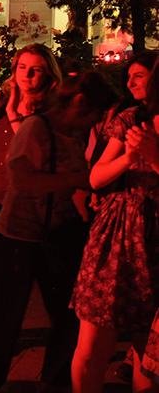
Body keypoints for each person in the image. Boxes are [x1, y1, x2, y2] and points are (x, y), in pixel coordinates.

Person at [0, 72, 117, 391]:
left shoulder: (75, 134)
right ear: (79, 103)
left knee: (69, 314)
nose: (97, 121)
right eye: (96, 113)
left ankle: (56, 380)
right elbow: (21, 180)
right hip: (18, 235)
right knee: (4, 316)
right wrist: (78, 179)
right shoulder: (36, 127)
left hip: (58, 231)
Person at [72, 52, 159, 393]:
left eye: (141, 76)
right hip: (120, 237)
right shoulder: (131, 119)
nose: (132, 83)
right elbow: (96, 178)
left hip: (154, 244)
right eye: (130, 76)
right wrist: (129, 157)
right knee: (93, 344)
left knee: (147, 359)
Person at [0, 43, 61, 344]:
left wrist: (15, 115)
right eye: (22, 67)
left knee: (11, 267)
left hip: (18, 199)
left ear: (48, 75)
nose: (27, 74)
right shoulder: (0, 98)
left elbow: (31, 155)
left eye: (36, 69)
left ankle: (4, 325)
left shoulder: (50, 111)